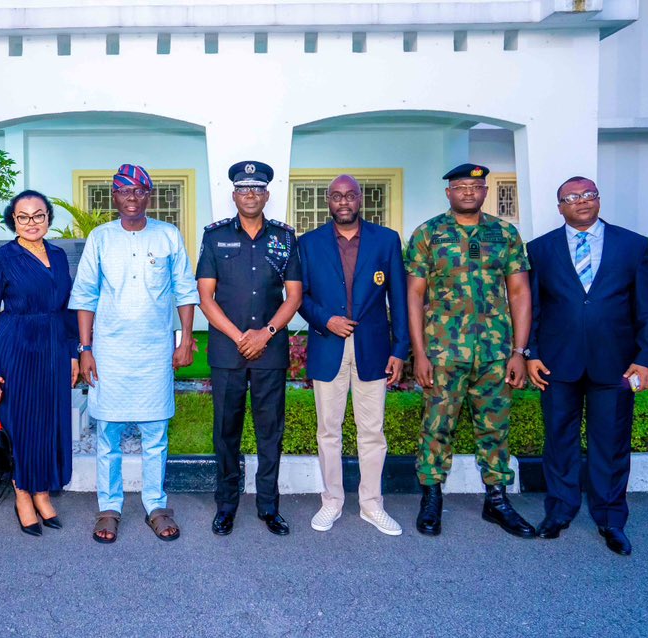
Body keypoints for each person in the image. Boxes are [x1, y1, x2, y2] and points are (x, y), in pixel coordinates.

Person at [526, 176, 648, 555]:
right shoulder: (540, 249)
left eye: (588, 194)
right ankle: (560, 511)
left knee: (611, 443)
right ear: (560, 207)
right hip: (556, 364)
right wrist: (530, 353)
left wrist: (647, 359)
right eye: (572, 197)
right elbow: (532, 308)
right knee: (559, 441)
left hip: (616, 366)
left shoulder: (632, 245)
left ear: (598, 200)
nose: (581, 201)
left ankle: (610, 519)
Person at [70, 163, 200, 543]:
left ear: (149, 195)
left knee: (155, 432)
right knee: (108, 432)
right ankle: (109, 507)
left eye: (139, 191)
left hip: (155, 350)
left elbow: (185, 289)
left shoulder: (168, 236)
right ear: (114, 195)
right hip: (109, 351)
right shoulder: (100, 238)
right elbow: (85, 296)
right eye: (124, 191)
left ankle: (155, 504)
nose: (132, 197)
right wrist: (86, 348)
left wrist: (185, 339)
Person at [405, 163, 535, 538]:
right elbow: (414, 295)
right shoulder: (429, 233)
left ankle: (496, 499)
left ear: (485, 192)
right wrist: (420, 353)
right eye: (460, 186)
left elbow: (520, 292)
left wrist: (519, 351)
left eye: (475, 186)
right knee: (436, 427)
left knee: (496, 428)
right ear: (448, 192)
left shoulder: (505, 233)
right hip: (443, 352)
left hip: (496, 351)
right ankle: (431, 497)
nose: (467, 192)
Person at [298, 174, 409, 536]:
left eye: (350, 196)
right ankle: (331, 501)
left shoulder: (386, 240)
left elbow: (400, 300)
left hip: (372, 348)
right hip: (328, 344)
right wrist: (325, 319)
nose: (343, 202)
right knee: (328, 431)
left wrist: (400, 349)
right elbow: (301, 298)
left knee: (372, 431)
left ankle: (371, 504)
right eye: (336, 196)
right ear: (328, 201)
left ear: (360, 199)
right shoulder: (309, 243)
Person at [196, 160, 302, 536]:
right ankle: (226, 506)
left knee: (269, 431)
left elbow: (294, 296)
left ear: (267, 195)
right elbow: (206, 298)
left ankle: (269, 507)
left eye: (257, 189)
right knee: (226, 431)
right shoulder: (215, 237)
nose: (251, 195)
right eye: (244, 189)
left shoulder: (285, 238)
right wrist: (241, 336)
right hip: (227, 352)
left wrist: (265, 333)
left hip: (270, 351)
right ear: (234, 195)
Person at [0, 190, 79, 537]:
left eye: (39, 215)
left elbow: (66, 310)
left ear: (49, 218)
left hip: (53, 346)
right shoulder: (2, 258)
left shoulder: (59, 255)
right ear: (13, 221)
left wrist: (73, 353)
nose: (32, 222)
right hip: (16, 346)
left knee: (49, 422)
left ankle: (42, 491)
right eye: (23, 217)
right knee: (20, 423)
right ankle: (23, 493)